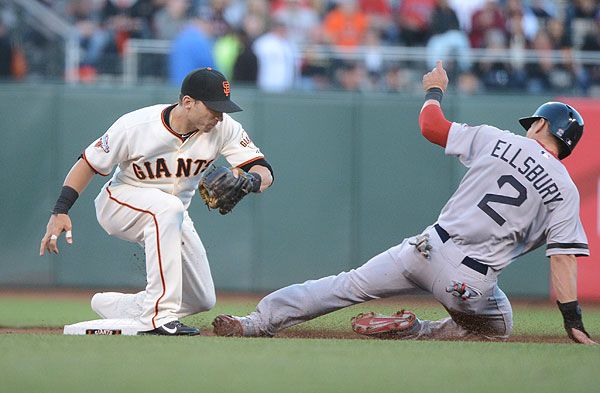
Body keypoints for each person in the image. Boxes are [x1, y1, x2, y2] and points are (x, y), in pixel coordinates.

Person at [212, 61, 596, 345]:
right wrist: (572, 321)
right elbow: (562, 257)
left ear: (542, 126)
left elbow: (430, 126)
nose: (528, 126)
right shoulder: (564, 189)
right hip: (468, 282)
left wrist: (434, 90)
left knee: (343, 285)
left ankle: (254, 322)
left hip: (425, 247)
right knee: (498, 328)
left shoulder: (496, 139)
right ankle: (417, 330)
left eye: (533, 122)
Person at [40, 68, 274, 336]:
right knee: (167, 208)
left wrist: (251, 182)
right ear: (188, 102)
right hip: (119, 201)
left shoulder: (224, 129)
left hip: (171, 215)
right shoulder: (136, 125)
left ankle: (119, 305)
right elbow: (88, 163)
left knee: (201, 298)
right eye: (213, 109)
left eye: (223, 109)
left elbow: (263, 169)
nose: (219, 116)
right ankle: (158, 317)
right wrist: (60, 210)